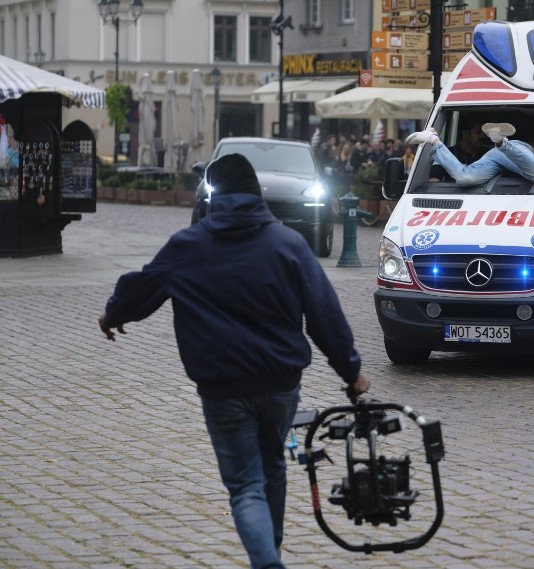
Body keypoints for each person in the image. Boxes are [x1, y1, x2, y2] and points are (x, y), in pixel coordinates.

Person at [97, 153, 371, 569]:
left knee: (246, 485)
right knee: (273, 466)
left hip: (223, 387)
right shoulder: (289, 245)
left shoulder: (188, 246)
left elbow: (141, 289)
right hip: (281, 384)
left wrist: (113, 314)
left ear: (211, 197)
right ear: (257, 194)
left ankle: (267, 562)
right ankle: (270, 553)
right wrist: (351, 372)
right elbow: (324, 316)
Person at [406, 122, 534, 187]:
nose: (483, 137)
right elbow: (435, 174)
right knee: (465, 178)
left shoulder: (483, 150)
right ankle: (432, 138)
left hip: (516, 148)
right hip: (500, 155)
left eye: (483, 133)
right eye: (478, 132)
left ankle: (502, 143)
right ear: (465, 134)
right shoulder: (452, 152)